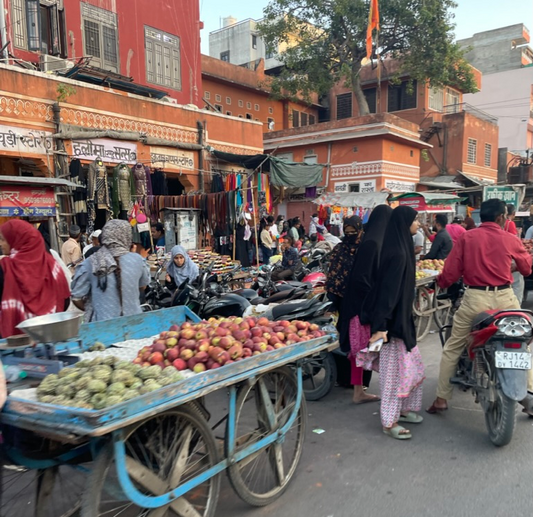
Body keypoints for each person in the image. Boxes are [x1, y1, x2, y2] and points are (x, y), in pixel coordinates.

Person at [427, 199, 533, 415]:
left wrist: (441, 283)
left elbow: (451, 273)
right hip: (506, 298)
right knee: (521, 343)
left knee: (454, 347)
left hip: (475, 298)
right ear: (501, 217)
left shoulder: (467, 237)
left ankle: (441, 398)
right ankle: (529, 394)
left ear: (481, 217)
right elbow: (526, 269)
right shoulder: (510, 238)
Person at [362, 206, 425, 440]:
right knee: (393, 377)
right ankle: (389, 422)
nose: (418, 223)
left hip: (402, 323)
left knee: (413, 370)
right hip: (390, 327)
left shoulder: (402, 248)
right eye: (415, 219)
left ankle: (404, 409)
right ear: (404, 223)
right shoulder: (397, 255)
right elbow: (387, 295)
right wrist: (380, 328)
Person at [341, 205, 393, 404]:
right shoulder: (372, 243)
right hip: (360, 306)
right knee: (360, 350)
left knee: (362, 350)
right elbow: (362, 278)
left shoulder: (373, 241)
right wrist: (375, 297)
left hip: (362, 304)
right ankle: (358, 391)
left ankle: (359, 390)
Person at [0, 220, 70, 337]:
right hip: (51, 335)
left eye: (2, 239)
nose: (0, 244)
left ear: (15, 240)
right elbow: (64, 300)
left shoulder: (5, 268)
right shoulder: (52, 265)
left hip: (15, 341)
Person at [71, 219, 150, 322]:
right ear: (127, 237)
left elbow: (76, 297)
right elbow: (142, 286)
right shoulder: (137, 260)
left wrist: (96, 307)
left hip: (102, 327)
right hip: (134, 323)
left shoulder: (91, 262)